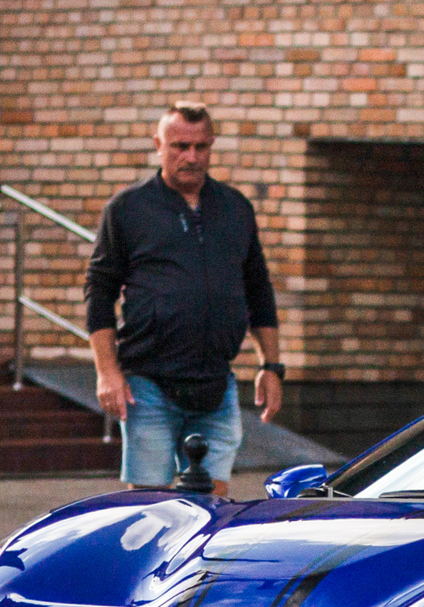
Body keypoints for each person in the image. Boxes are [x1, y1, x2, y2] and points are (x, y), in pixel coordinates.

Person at [85, 103, 283, 492]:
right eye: (179, 146)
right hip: (148, 384)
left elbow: (258, 288)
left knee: (212, 505)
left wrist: (272, 366)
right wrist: (107, 371)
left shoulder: (235, 208)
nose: (190, 157)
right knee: (150, 511)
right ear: (158, 145)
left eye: (200, 147)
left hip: (216, 384)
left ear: (211, 145)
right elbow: (99, 290)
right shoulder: (128, 209)